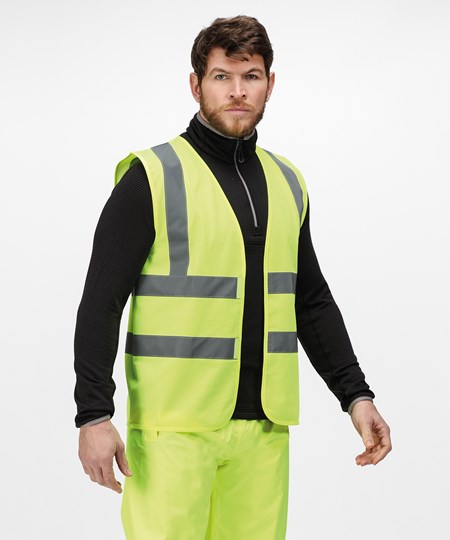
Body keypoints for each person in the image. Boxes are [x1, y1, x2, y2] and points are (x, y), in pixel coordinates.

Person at [74, 15, 392, 540]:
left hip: (263, 430)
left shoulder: (288, 182)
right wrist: (93, 414)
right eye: (222, 76)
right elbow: (100, 302)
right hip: (173, 432)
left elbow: (310, 301)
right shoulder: (151, 177)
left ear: (271, 84)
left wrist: (356, 396)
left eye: (251, 76)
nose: (238, 91)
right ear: (196, 84)